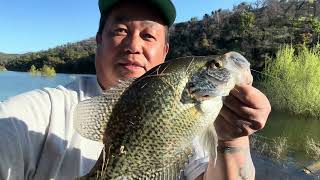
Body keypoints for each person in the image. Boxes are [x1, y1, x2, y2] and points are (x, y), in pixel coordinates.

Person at [0, 0, 271, 179]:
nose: (133, 45)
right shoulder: (40, 112)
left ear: (165, 51)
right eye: (119, 30)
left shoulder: (204, 121)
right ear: (98, 40)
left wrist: (232, 138)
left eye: (148, 35)